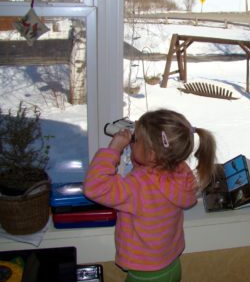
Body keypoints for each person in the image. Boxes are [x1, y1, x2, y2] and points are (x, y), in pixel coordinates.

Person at [83, 108, 216, 282]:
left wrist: (114, 149)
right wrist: (140, 150)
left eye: (136, 140)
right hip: (171, 264)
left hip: (145, 274)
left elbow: (94, 187)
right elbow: (153, 170)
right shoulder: (180, 171)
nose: (132, 142)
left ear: (151, 153)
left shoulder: (137, 185)